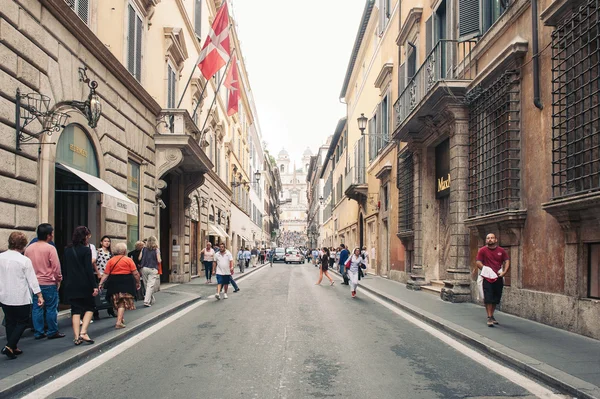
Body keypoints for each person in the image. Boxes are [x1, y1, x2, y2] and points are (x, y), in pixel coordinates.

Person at [0, 232, 44, 359]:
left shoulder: (1, 257)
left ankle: (13, 346)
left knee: (10, 321)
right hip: (20, 296)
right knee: (23, 322)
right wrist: (39, 295)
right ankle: (10, 346)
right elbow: (32, 280)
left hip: (4, 295)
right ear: (23, 245)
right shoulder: (24, 260)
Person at [24, 223, 64, 340]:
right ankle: (52, 331)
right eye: (51, 233)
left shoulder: (29, 248)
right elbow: (56, 267)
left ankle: (38, 332)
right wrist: (59, 279)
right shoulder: (50, 248)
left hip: (34, 283)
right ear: (48, 235)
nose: (52, 235)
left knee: (37, 307)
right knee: (51, 307)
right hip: (48, 282)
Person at [63, 226, 99, 345]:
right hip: (84, 284)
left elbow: (65, 268)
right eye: (88, 236)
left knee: (75, 310)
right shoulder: (86, 250)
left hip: (71, 284)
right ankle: (83, 332)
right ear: (84, 237)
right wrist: (94, 286)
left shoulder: (67, 250)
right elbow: (89, 269)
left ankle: (76, 337)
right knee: (90, 307)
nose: (89, 238)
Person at [99, 243, 141, 329]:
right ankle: (118, 322)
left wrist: (100, 283)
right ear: (124, 251)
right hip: (126, 281)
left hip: (113, 282)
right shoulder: (128, 260)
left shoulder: (111, 260)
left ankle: (120, 318)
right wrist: (138, 282)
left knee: (117, 300)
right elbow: (135, 273)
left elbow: (106, 274)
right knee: (122, 302)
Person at [476, 233, 510, 327]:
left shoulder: (501, 251)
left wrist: (504, 272)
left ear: (496, 240)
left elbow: (507, 260)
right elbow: (478, 262)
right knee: (488, 297)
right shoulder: (482, 250)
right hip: (487, 277)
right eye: (488, 238)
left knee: (495, 298)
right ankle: (489, 317)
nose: (490, 239)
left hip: (498, 276)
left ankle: (492, 315)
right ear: (486, 240)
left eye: (492, 238)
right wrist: (486, 270)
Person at [139, 236, 161, 307]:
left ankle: (151, 299)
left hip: (144, 268)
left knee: (146, 285)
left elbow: (139, 258)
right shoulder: (156, 250)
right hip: (153, 268)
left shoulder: (143, 249)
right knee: (150, 285)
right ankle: (146, 301)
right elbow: (159, 260)